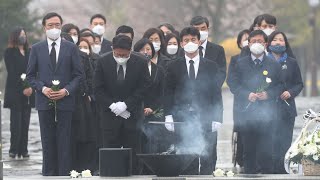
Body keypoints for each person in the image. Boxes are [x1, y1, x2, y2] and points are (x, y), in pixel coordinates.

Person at [26, 12, 82, 176]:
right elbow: (30, 76)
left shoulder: (71, 48)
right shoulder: (36, 48)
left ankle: (64, 173)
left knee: (64, 139)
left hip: (66, 101)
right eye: (50, 25)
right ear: (44, 27)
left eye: (57, 25)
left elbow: (78, 75)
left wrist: (66, 91)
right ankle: (49, 173)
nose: (54, 28)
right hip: (44, 101)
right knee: (47, 140)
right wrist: (43, 89)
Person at [164, 26, 221, 175]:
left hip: (206, 115)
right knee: (186, 154)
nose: (190, 43)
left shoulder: (211, 66)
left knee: (207, 153)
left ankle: (207, 176)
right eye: (186, 40)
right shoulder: (172, 66)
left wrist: (217, 117)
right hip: (182, 116)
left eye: (193, 40)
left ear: (199, 41)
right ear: (181, 44)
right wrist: (168, 115)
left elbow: (216, 92)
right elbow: (168, 92)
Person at [227, 30, 283, 174]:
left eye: (260, 41)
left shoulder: (273, 63)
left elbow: (280, 85)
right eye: (253, 41)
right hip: (247, 115)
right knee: (248, 153)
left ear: (265, 44)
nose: (256, 44)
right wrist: (247, 94)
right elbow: (232, 83)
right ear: (249, 44)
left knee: (266, 153)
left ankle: (268, 175)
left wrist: (268, 94)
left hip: (267, 115)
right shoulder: (240, 63)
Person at [94, 35, 151, 174]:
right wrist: (113, 106)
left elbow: (144, 87)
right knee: (110, 153)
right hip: (109, 117)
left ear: (130, 51)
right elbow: (97, 88)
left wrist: (126, 105)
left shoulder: (141, 62)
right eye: (117, 54)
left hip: (132, 116)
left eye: (124, 55)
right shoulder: (102, 61)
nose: (120, 57)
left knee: (133, 153)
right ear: (112, 49)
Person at [189, 16, 226, 168]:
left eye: (203, 29)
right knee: (188, 143)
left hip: (209, 104)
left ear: (207, 29)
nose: (200, 32)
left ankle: (208, 172)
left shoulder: (217, 50)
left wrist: (206, 88)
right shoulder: (183, 51)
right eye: (196, 29)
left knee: (209, 145)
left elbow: (221, 73)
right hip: (188, 105)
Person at [266, 31, 303, 173]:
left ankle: (283, 171)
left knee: (285, 142)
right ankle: (269, 171)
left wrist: (291, 92)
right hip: (267, 109)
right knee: (269, 142)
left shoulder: (292, 62)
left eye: (281, 40)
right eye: (275, 39)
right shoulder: (264, 60)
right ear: (269, 43)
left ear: (285, 43)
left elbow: (299, 84)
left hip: (287, 109)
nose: (278, 42)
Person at [4, 27, 35, 159]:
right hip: (15, 91)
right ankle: (13, 149)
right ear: (15, 36)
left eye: (25, 34)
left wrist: (31, 87)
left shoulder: (30, 51)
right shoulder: (9, 52)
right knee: (16, 122)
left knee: (25, 121)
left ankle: (24, 149)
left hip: (28, 92)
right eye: (21, 35)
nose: (23, 37)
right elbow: (12, 71)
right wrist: (23, 86)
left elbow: (34, 70)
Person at [133, 38, 166, 154]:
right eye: (142, 50)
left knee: (153, 143)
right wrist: (139, 108)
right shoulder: (131, 69)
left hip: (153, 113)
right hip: (136, 112)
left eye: (148, 49)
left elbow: (162, 93)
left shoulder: (159, 70)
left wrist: (152, 108)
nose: (146, 52)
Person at [227, 29, 250, 169]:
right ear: (240, 43)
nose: (247, 41)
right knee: (241, 134)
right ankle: (241, 160)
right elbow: (232, 81)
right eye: (244, 39)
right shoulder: (236, 59)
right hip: (241, 103)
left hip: (260, 103)